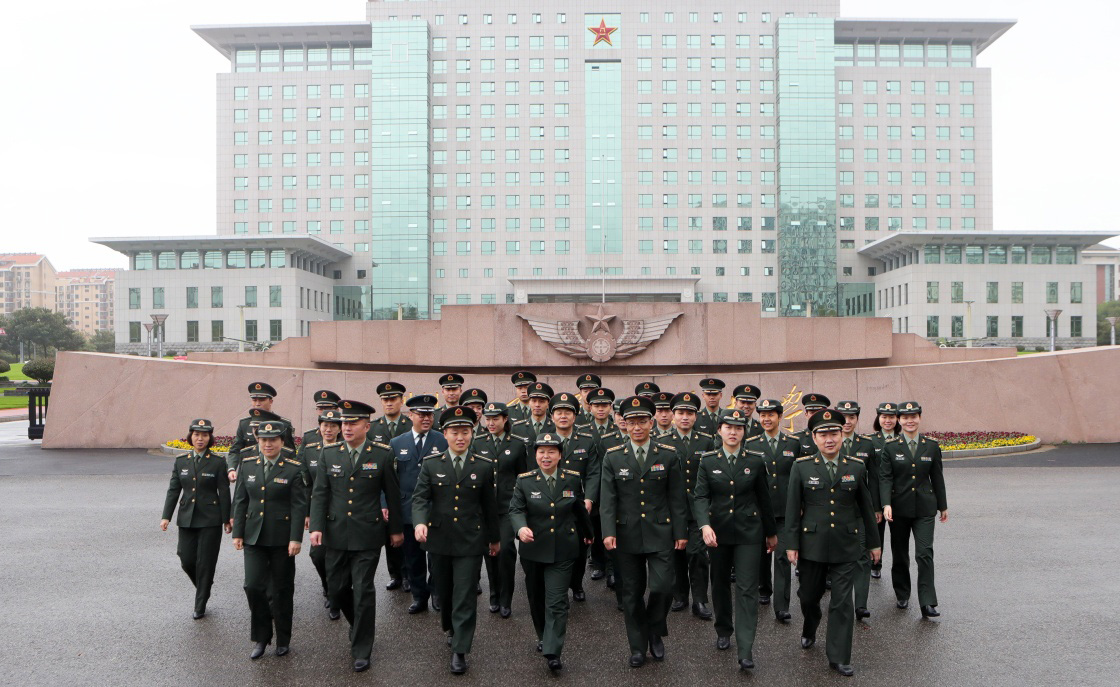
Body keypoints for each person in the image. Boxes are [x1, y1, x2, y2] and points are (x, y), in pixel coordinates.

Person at [784, 409, 881, 677]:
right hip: (812, 543)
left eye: (834, 433)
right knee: (809, 596)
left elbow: (866, 507)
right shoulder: (801, 467)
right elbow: (792, 509)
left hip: (846, 544)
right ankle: (810, 624)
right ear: (814, 437)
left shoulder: (855, 466)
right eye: (823, 434)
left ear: (842, 435)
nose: (830, 439)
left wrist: (874, 544)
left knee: (841, 602)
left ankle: (838, 656)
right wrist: (791, 544)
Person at [309, 400, 403, 673]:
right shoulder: (330, 454)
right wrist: (317, 526)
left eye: (352, 423)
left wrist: (395, 530)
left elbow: (393, 497)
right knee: (337, 590)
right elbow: (320, 493)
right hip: (335, 533)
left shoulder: (383, 454)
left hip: (368, 534)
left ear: (366, 425)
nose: (346, 428)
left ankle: (362, 647)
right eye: (344, 423)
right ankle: (358, 625)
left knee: (363, 591)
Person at [600, 396, 688, 668]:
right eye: (632, 422)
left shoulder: (668, 454)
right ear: (624, 424)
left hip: (660, 530)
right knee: (632, 592)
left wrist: (681, 531)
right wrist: (607, 531)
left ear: (652, 422)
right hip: (626, 534)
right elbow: (608, 499)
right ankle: (637, 646)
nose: (637, 427)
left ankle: (654, 627)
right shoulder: (613, 456)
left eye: (642, 421)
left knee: (663, 586)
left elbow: (677, 498)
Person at [412, 406, 500, 675]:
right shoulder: (431, 463)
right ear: (445, 433)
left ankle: (460, 650)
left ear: (472, 434)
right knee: (445, 590)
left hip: (470, 540)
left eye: (465, 432)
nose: (460, 437)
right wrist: (419, 522)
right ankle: (450, 626)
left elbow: (489, 507)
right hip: (439, 539)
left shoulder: (483, 466)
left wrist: (494, 539)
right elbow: (420, 498)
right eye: (454, 432)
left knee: (465, 593)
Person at [694, 409, 777, 672]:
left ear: (744, 432)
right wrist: (704, 525)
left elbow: (764, 498)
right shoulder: (707, 461)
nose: (733, 432)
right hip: (717, 533)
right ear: (719, 430)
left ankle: (745, 648)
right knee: (719, 583)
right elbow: (700, 497)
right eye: (728, 427)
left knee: (746, 588)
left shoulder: (755, 460)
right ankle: (723, 629)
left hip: (749, 532)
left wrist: (771, 532)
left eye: (738, 428)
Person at [509, 433, 594, 674]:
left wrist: (589, 533)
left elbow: (578, 509)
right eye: (541, 452)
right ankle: (543, 635)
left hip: (563, 549)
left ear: (560, 455)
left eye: (551, 452)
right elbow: (516, 509)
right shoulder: (524, 481)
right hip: (533, 548)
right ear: (535, 455)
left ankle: (553, 650)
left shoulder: (572, 479)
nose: (546, 456)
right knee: (537, 598)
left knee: (557, 601)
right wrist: (520, 527)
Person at [231, 420, 308, 660]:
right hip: (254, 537)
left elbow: (298, 506)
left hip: (282, 539)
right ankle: (262, 637)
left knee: (282, 589)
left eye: (273, 440)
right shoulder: (248, 465)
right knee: (253, 586)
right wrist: (238, 533)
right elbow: (241, 500)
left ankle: (283, 638)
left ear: (281, 442)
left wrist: (296, 538)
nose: (267, 444)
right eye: (263, 440)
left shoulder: (294, 468)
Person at [880, 401, 948, 619]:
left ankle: (927, 602)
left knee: (924, 553)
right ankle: (902, 592)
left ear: (919, 418)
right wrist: (886, 503)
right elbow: (885, 477)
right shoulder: (890, 447)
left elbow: (937, 477)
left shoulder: (931, 445)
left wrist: (943, 505)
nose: (910, 421)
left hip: (925, 508)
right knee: (900, 554)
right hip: (898, 508)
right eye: (905, 417)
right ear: (899, 420)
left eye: (914, 417)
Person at [161, 418, 231, 619]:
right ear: (191, 436)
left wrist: (227, 518)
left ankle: (200, 603)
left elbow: (224, 492)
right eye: (197, 435)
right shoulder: (181, 461)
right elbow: (174, 490)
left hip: (211, 518)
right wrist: (166, 516)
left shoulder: (218, 462)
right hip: (187, 517)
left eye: (205, 435)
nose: (200, 439)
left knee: (205, 562)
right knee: (186, 559)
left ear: (210, 438)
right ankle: (204, 584)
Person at [388, 395, 448, 615]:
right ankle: (418, 596)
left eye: (430, 414)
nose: (426, 418)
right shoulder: (397, 443)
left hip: (436, 508)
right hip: (407, 510)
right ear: (410, 415)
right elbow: (390, 479)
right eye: (421, 414)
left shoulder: (442, 440)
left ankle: (437, 593)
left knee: (435, 557)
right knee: (412, 558)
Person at [744, 399, 801, 622]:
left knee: (783, 558)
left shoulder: (793, 443)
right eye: (763, 415)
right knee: (760, 555)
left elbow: (799, 478)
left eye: (771, 414)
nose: (766, 419)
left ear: (780, 416)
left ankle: (782, 606)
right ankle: (764, 589)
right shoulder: (751, 443)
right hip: (759, 509)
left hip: (786, 509)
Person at [662, 392, 716, 620]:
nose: (685, 417)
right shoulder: (662, 442)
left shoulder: (706, 440)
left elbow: (712, 475)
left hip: (697, 509)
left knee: (697, 554)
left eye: (689, 413)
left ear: (696, 416)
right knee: (676, 553)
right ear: (673, 416)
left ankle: (701, 599)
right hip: (671, 509)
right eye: (681, 413)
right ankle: (680, 595)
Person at [475, 402, 530, 617]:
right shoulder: (478, 443)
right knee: (490, 552)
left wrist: (523, 507)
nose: (490, 423)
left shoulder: (516, 444)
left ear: (505, 419)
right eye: (487, 419)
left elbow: (522, 477)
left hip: (508, 507)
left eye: (495, 418)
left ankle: (506, 598)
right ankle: (494, 595)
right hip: (486, 508)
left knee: (506, 550)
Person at [547, 392, 602, 603]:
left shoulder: (586, 441)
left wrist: (589, 499)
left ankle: (577, 583)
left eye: (568, 412)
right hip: (552, 502)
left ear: (575, 415)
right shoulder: (544, 440)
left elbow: (593, 472)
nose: (563, 416)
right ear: (552, 416)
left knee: (580, 547)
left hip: (578, 503)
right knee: (555, 546)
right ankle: (557, 588)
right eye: (559, 412)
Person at [836, 401, 882, 620]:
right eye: (843, 417)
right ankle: (841, 600)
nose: (847, 422)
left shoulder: (866, 445)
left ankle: (861, 604)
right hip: (835, 510)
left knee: (862, 555)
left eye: (852, 417)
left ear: (857, 419)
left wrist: (875, 507)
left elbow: (873, 478)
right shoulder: (828, 441)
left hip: (860, 510)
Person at [297, 408, 344, 618]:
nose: (329, 429)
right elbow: (305, 484)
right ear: (320, 426)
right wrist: (308, 513)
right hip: (319, 510)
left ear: (340, 428)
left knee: (339, 556)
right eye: (325, 425)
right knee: (317, 555)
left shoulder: (346, 449)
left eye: (333, 425)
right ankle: (328, 586)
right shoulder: (310, 450)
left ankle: (335, 599)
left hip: (342, 510)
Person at [227, 382, 295, 480]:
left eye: (262, 400)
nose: (257, 403)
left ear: (271, 401)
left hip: (276, 473)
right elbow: (235, 450)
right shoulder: (245, 424)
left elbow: (290, 453)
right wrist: (232, 468)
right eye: (254, 400)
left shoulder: (283, 425)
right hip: (249, 474)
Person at [868, 402, 900, 580]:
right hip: (878, 497)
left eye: (891, 417)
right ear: (878, 418)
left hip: (899, 497)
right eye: (884, 417)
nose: (888, 421)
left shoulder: (903, 440)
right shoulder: (871, 441)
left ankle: (898, 568)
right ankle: (875, 564)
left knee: (898, 538)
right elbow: (871, 476)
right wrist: (875, 505)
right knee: (877, 534)